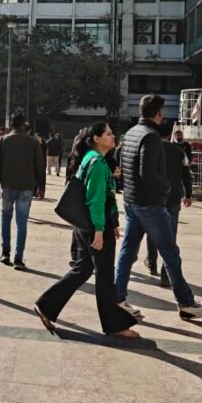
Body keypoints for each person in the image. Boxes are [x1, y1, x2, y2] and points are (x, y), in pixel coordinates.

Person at [115, 95, 202, 321]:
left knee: (127, 251)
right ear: (158, 113)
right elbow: (147, 172)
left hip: (132, 201)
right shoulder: (151, 137)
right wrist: (167, 188)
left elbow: (124, 165)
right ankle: (186, 303)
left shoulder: (131, 133)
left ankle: (117, 298)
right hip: (150, 204)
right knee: (171, 254)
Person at [34, 122, 139, 339]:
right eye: (108, 134)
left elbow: (103, 198)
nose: (113, 137)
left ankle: (46, 305)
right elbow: (96, 200)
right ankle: (115, 325)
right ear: (97, 139)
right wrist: (101, 230)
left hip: (85, 225)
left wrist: (113, 223)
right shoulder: (98, 163)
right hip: (94, 226)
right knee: (105, 276)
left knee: (82, 269)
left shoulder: (89, 158)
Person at [0, 114, 45, 270]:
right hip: (27, 187)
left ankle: (5, 253)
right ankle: (18, 258)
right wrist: (41, 187)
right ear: (23, 125)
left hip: (7, 185)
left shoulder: (3, 140)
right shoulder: (33, 142)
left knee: (6, 218)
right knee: (22, 223)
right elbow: (40, 166)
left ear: (11, 125)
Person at [145, 137, 194, 288]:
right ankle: (165, 274)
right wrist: (188, 194)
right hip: (173, 197)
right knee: (170, 236)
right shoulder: (179, 151)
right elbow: (186, 174)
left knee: (152, 232)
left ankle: (152, 262)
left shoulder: (150, 150)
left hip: (154, 197)